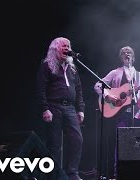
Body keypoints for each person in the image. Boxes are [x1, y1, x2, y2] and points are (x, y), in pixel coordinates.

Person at [94, 46, 140, 179]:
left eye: (129, 52)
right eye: (123, 53)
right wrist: (108, 96)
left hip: (136, 113)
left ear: (133, 57)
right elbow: (98, 85)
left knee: (134, 142)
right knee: (118, 143)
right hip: (118, 113)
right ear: (121, 57)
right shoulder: (115, 73)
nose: (126, 54)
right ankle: (116, 174)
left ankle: (133, 173)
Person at [36, 37, 85, 180]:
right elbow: (40, 89)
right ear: (55, 49)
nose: (67, 48)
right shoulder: (47, 66)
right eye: (63, 46)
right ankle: (55, 175)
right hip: (53, 106)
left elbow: (79, 90)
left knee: (77, 139)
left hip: (69, 108)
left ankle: (72, 173)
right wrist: (45, 109)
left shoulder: (72, 68)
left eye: (68, 46)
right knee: (55, 144)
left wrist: (80, 109)